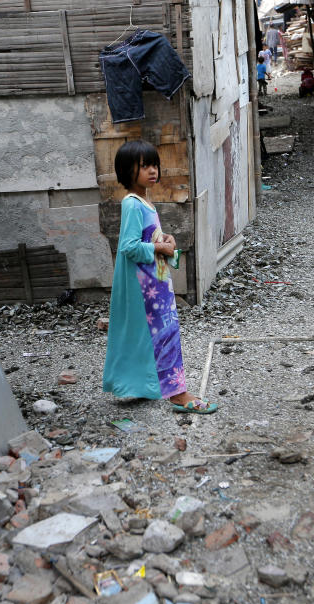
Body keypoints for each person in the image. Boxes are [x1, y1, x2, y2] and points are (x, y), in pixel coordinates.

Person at [102, 140, 218, 415]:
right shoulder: (132, 204)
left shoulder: (145, 201)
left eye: (154, 165)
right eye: (144, 166)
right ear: (127, 170)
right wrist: (159, 247)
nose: (152, 171)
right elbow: (128, 247)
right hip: (147, 286)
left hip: (156, 281)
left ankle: (144, 386)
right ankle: (178, 394)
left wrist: (164, 241)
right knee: (165, 335)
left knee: (152, 336)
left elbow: (146, 239)